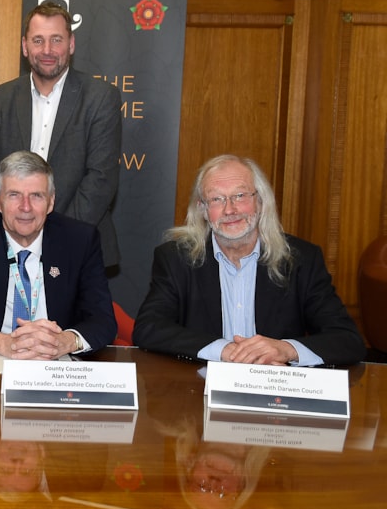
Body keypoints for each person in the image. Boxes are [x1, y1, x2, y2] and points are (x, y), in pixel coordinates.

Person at [132, 154, 366, 366]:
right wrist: (225, 350)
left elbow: (347, 340)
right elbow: (149, 328)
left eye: (240, 195)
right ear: (202, 210)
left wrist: (284, 349)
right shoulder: (175, 258)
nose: (230, 209)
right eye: (217, 199)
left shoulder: (300, 259)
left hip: (277, 395)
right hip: (198, 394)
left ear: (261, 202)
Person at [0, 0, 122, 267]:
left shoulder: (101, 97)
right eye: (38, 40)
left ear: (71, 44)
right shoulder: (2, 98)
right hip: (7, 245)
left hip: (77, 247)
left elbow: (101, 179)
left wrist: (54, 237)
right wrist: (13, 228)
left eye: (56, 40)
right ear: (25, 46)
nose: (47, 50)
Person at [0, 151, 116, 359]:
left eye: (36, 196)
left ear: (51, 201)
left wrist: (66, 340)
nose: (25, 207)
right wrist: (0, 342)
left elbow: (103, 320)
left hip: (58, 365)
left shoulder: (80, 240)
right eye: (14, 195)